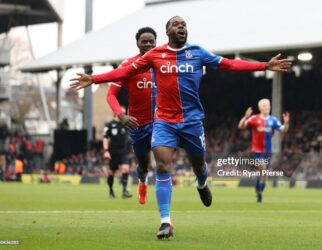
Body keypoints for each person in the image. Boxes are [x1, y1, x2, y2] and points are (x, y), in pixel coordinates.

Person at [70, 16, 293, 239]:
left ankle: (202, 182)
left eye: (184, 25)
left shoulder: (197, 52)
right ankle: (165, 221)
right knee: (163, 167)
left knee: (198, 165)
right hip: (164, 121)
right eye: (176, 25)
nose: (181, 27)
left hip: (191, 122)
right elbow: (124, 73)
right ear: (167, 31)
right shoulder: (154, 55)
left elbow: (229, 64)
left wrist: (264, 65)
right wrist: (95, 78)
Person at [106, 27, 157, 204]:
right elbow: (110, 94)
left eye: (152, 41)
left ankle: (165, 216)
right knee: (144, 164)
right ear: (137, 43)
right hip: (138, 125)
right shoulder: (128, 65)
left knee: (164, 162)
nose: (149, 44)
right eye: (145, 41)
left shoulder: (164, 63)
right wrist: (121, 115)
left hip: (162, 122)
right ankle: (142, 181)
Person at [238, 98, 290, 202]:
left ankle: (259, 191)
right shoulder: (254, 118)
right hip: (256, 151)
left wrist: (287, 123)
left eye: (268, 105)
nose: (267, 107)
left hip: (268, 152)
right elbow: (241, 126)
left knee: (263, 174)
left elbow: (283, 130)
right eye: (265, 106)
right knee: (263, 169)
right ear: (260, 108)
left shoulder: (273, 120)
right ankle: (259, 191)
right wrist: (245, 117)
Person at [103, 110, 132, 199]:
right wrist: (106, 151)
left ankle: (124, 191)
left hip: (123, 151)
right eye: (122, 113)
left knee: (126, 168)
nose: (124, 114)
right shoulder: (109, 125)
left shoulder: (125, 124)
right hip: (113, 152)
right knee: (112, 172)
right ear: (116, 113)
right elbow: (105, 138)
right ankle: (111, 191)